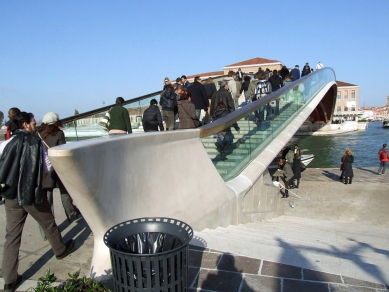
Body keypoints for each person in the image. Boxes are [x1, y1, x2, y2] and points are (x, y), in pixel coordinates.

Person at [0, 112, 76, 292]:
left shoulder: (6, 143)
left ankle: (9, 279)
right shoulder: (35, 142)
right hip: (30, 193)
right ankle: (60, 250)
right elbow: (47, 165)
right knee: (48, 222)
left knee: (12, 236)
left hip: (11, 195)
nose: (36, 125)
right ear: (25, 125)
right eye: (33, 123)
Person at [37, 112, 81, 240]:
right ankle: (71, 214)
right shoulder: (59, 134)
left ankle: (46, 232)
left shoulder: (38, 134)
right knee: (65, 193)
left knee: (47, 202)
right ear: (56, 122)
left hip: (44, 170)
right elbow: (62, 152)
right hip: (57, 169)